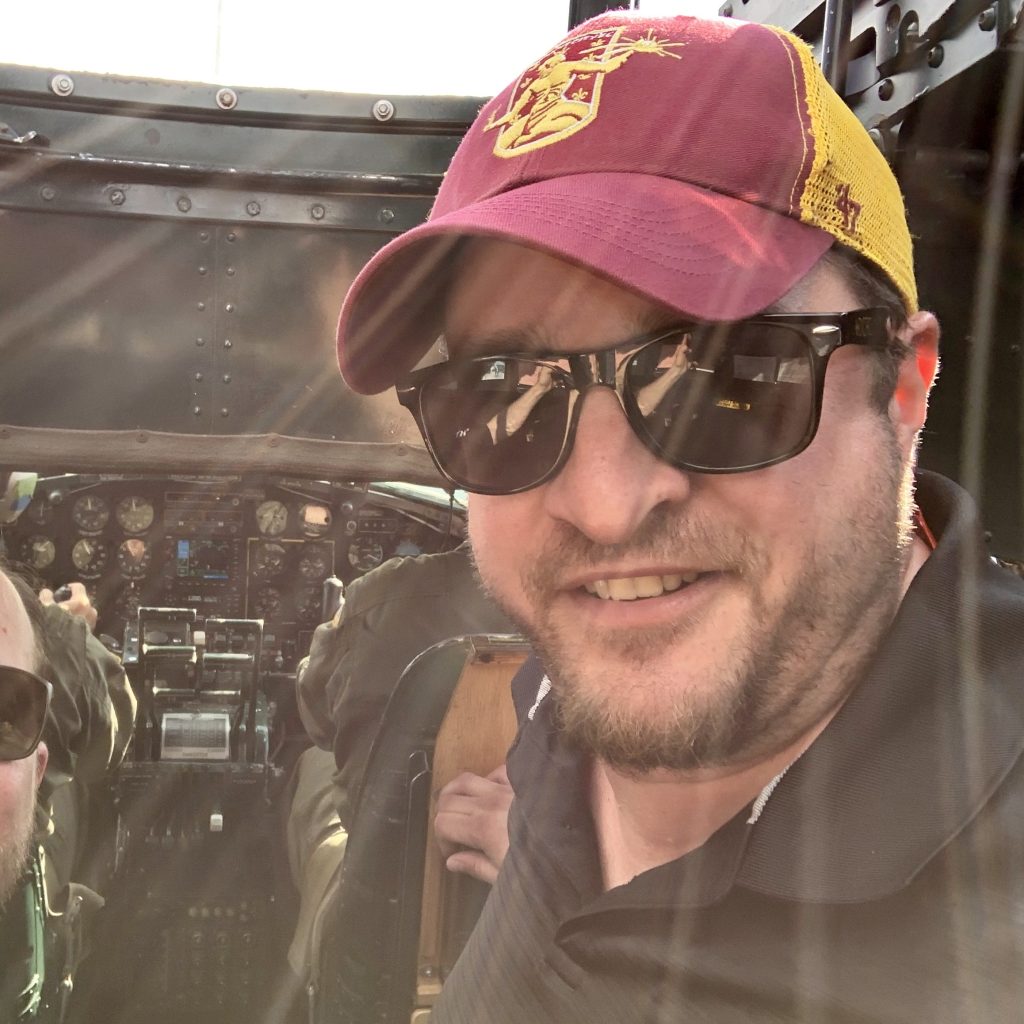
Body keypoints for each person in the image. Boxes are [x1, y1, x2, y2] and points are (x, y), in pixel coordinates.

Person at [332, 10, 1024, 1022]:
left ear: (904, 385)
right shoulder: (548, 709)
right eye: (504, 392)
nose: (604, 508)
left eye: (721, 374)